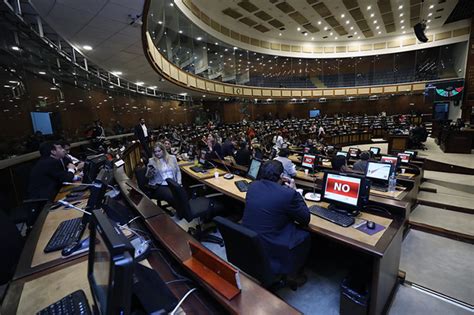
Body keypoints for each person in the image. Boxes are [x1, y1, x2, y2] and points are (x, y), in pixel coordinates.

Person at [242, 160, 310, 285]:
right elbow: (305, 219)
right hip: (272, 244)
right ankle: (294, 275)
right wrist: (294, 191)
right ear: (281, 177)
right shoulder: (288, 194)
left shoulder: (252, 186)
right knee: (305, 235)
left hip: (249, 241)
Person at [145, 143, 182, 208]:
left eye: (159, 151)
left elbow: (178, 171)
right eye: (155, 152)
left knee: (182, 193)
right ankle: (180, 212)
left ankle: (181, 210)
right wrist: (150, 172)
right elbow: (147, 176)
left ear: (163, 150)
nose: (157, 153)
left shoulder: (172, 158)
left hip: (173, 182)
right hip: (159, 185)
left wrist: (179, 182)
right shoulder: (152, 161)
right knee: (172, 196)